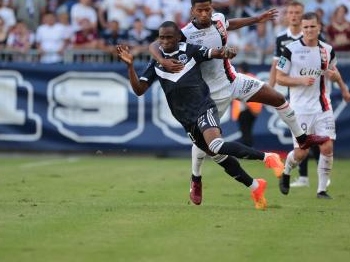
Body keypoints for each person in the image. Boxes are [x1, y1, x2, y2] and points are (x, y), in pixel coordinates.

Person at [149, 0, 329, 205]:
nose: (205, 13)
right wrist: (161, 59)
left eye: (208, 8)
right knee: (207, 145)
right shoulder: (185, 33)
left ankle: (302, 138)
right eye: (200, 10)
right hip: (210, 95)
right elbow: (154, 45)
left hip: (233, 80)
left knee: (278, 98)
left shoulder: (218, 19)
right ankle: (196, 178)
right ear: (192, 11)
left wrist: (256, 19)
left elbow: (229, 24)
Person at [118, 21, 284, 210]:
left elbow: (212, 52)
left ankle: (268, 157)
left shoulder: (189, 50)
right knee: (218, 156)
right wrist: (130, 67)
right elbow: (139, 90)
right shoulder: (156, 61)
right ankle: (255, 186)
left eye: (169, 37)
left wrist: (225, 52)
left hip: (204, 107)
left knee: (216, 145)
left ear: (179, 37)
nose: (164, 41)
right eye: (161, 37)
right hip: (186, 119)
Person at [277, 12, 350, 199]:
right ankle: (286, 171)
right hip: (300, 110)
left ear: (319, 27)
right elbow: (280, 78)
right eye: (306, 27)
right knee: (301, 154)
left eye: (312, 26)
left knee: (327, 147)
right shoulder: (290, 50)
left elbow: (333, 71)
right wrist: (300, 80)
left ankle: (322, 190)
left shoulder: (327, 50)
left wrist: (343, 88)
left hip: (322, 107)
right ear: (301, 28)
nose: (309, 30)